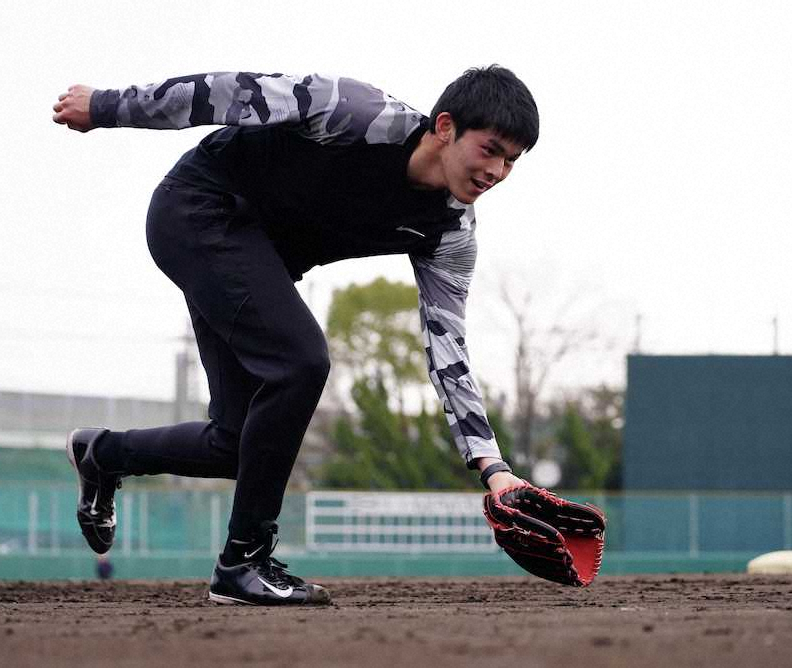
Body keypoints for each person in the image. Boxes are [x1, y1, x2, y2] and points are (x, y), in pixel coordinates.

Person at [54, 66, 535, 605]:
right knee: (302, 361)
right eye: (490, 149)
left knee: (239, 444)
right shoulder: (355, 112)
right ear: (445, 126)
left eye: (512, 161)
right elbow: (223, 93)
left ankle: (102, 455)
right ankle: (244, 561)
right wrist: (108, 106)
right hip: (198, 209)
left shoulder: (451, 231)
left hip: (249, 261)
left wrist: (493, 467)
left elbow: (449, 352)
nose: (497, 170)